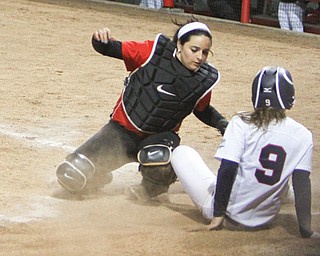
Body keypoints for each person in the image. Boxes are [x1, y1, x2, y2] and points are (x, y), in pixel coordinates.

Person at [55, 19, 228, 201]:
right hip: (121, 132)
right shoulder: (153, 52)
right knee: (71, 174)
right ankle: (97, 176)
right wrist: (100, 40)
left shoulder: (203, 80)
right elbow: (110, 48)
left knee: (160, 164)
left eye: (205, 52)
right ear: (179, 44)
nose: (200, 57)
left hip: (160, 136)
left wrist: (222, 123)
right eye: (194, 50)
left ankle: (150, 189)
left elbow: (202, 109)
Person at [171, 66, 320, 238]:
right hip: (265, 218)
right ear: (289, 96)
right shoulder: (303, 135)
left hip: (228, 214)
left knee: (182, 152)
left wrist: (218, 215)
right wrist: (306, 231)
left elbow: (227, 169)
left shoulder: (241, 122)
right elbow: (302, 184)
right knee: (285, 181)